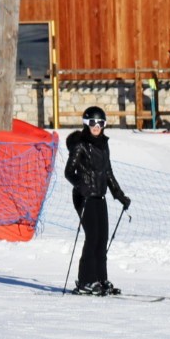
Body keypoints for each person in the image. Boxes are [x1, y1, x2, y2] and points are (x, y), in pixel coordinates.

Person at [62, 106, 130, 296]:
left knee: (102, 239)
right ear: (86, 124)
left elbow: (107, 173)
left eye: (100, 123)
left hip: (99, 196)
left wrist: (119, 195)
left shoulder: (103, 144)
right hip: (84, 197)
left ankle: (100, 279)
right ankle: (85, 281)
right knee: (92, 238)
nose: (96, 126)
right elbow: (69, 172)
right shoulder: (80, 145)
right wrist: (80, 186)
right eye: (93, 123)